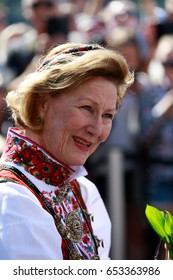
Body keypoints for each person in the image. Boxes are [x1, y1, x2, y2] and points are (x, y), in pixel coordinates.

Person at [0, 42, 134, 260]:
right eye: (87, 108)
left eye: (107, 115)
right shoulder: (12, 201)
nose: (97, 129)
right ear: (42, 103)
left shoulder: (84, 190)